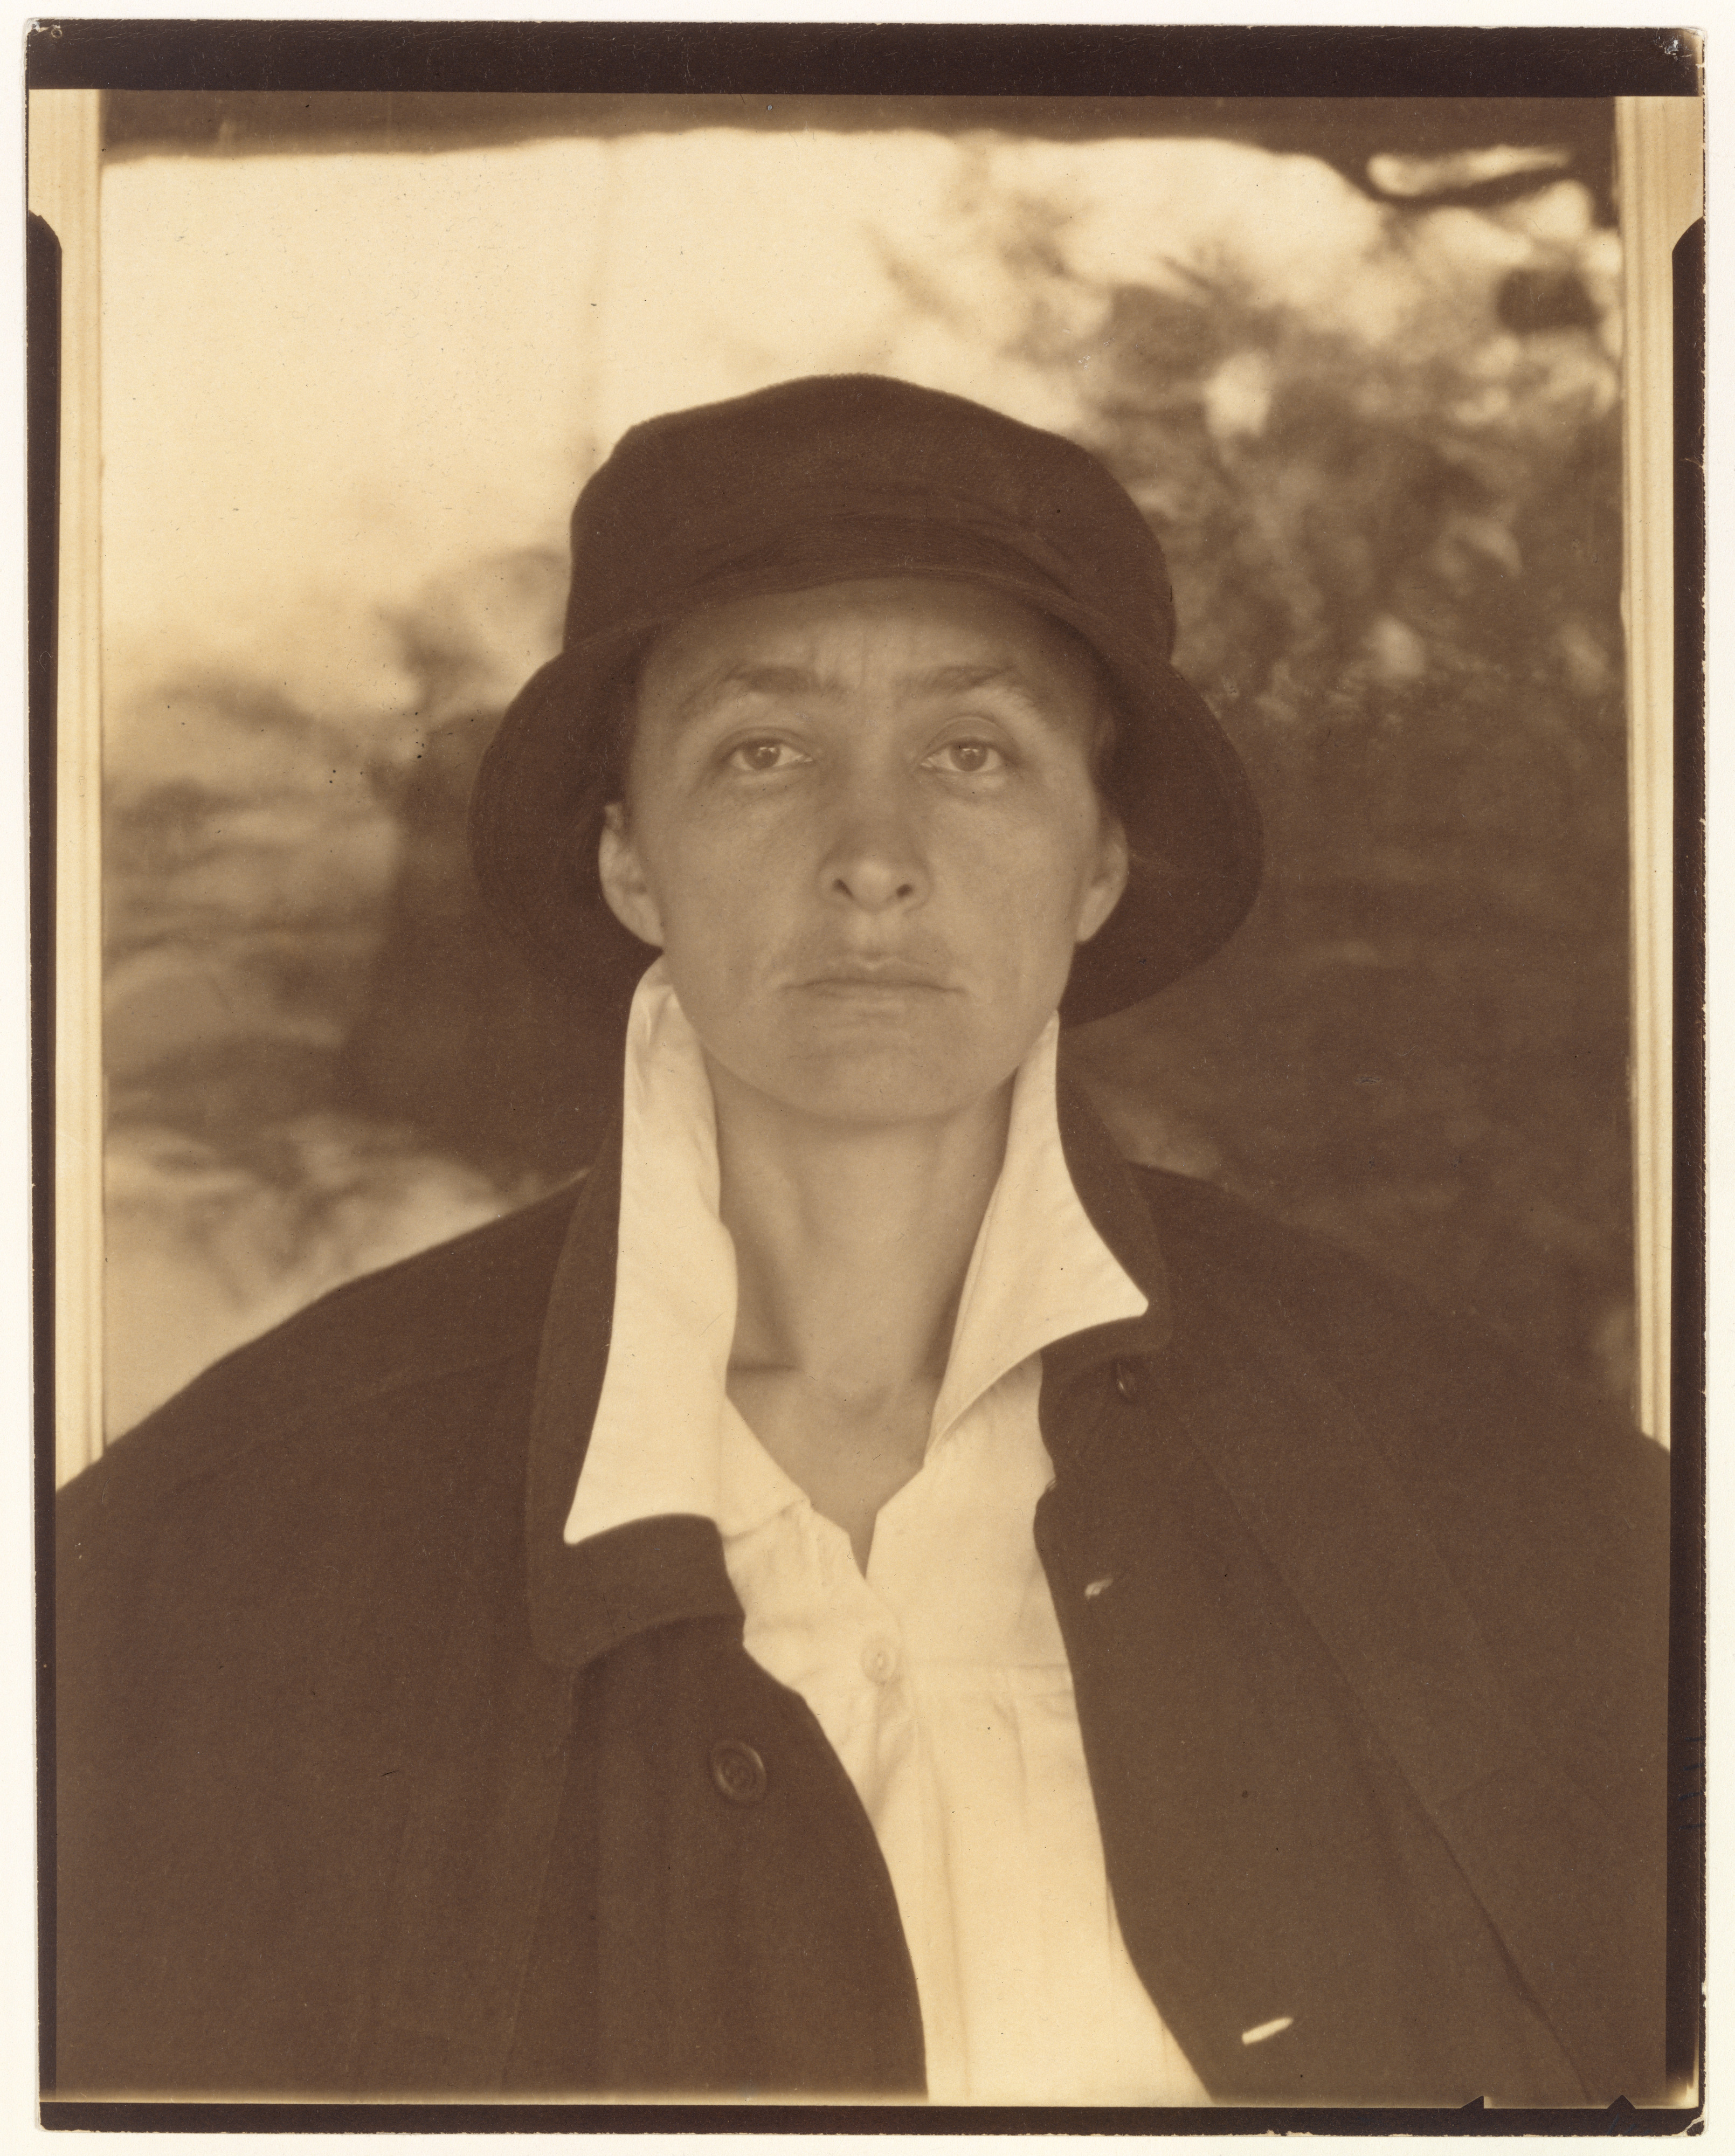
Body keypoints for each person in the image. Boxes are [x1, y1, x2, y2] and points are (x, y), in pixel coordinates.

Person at [54, 375, 1668, 2107]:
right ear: (629, 862)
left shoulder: (1503, 1502)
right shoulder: (211, 1560)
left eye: (974, 753)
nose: (874, 860)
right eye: (764, 751)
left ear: (1099, 864)